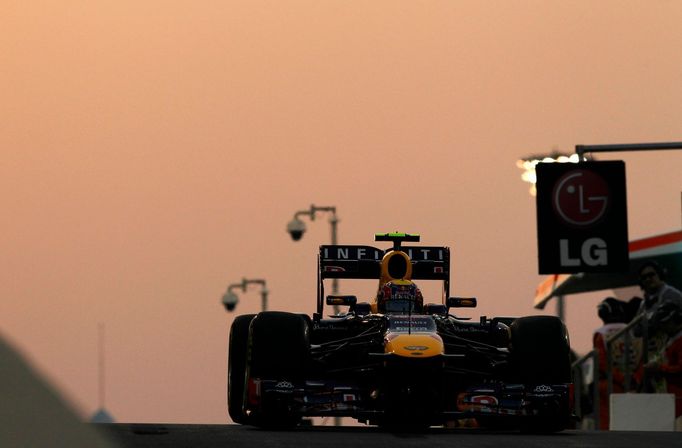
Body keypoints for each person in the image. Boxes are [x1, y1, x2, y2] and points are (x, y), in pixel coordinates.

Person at [635, 261, 682, 373]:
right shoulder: (644, 303)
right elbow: (636, 330)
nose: (648, 279)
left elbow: (663, 322)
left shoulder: (671, 294)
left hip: (675, 348)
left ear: (659, 275)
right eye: (644, 277)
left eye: (651, 275)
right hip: (655, 352)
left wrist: (650, 325)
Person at [642, 303, 682, 430]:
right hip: (672, 397)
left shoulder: (679, 340)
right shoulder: (671, 337)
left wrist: (659, 368)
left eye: (665, 324)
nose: (662, 328)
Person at [593, 297, 629, 430]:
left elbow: (602, 363)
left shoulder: (601, 334)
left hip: (609, 383)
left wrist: (619, 378)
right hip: (633, 382)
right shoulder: (631, 329)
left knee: (606, 423)